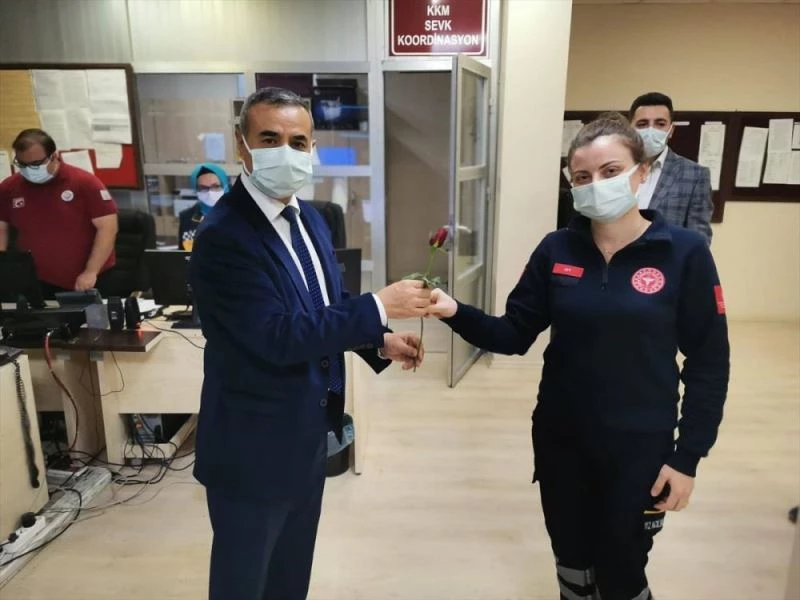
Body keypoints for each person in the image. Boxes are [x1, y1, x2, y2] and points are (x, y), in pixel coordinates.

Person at [428, 113, 730, 600]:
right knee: (570, 559)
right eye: (582, 177)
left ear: (642, 172)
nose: (596, 185)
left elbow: (709, 364)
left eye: (611, 172)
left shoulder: (685, 253)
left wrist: (687, 458)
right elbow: (513, 334)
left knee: (622, 566)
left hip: (639, 446)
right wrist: (452, 310)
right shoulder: (557, 249)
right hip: (562, 439)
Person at [189, 87, 431, 600]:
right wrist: (379, 305)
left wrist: (378, 340)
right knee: (243, 582)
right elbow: (277, 336)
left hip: (306, 436)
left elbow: (325, 301)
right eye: (269, 139)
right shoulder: (224, 236)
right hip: (253, 449)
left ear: (312, 147)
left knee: (289, 576)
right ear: (241, 145)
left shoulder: (310, 218)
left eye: (298, 142)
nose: (287, 152)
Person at [0, 129, 119, 296]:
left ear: (54, 156)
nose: (29, 170)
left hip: (88, 279)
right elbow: (1, 228)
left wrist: (91, 271)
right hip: (37, 281)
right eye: (23, 164)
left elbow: (108, 228)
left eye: (36, 164)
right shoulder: (9, 188)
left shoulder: (84, 182)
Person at [629, 92, 713, 245]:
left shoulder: (695, 175)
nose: (651, 130)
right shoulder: (614, 170)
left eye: (660, 124)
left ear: (671, 130)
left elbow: (699, 239)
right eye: (642, 124)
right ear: (630, 129)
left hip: (666, 258)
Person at [178, 162, 229, 251]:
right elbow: (181, 254)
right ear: (195, 189)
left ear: (225, 186)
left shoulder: (239, 215)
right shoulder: (186, 217)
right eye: (203, 188)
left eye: (215, 186)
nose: (210, 192)